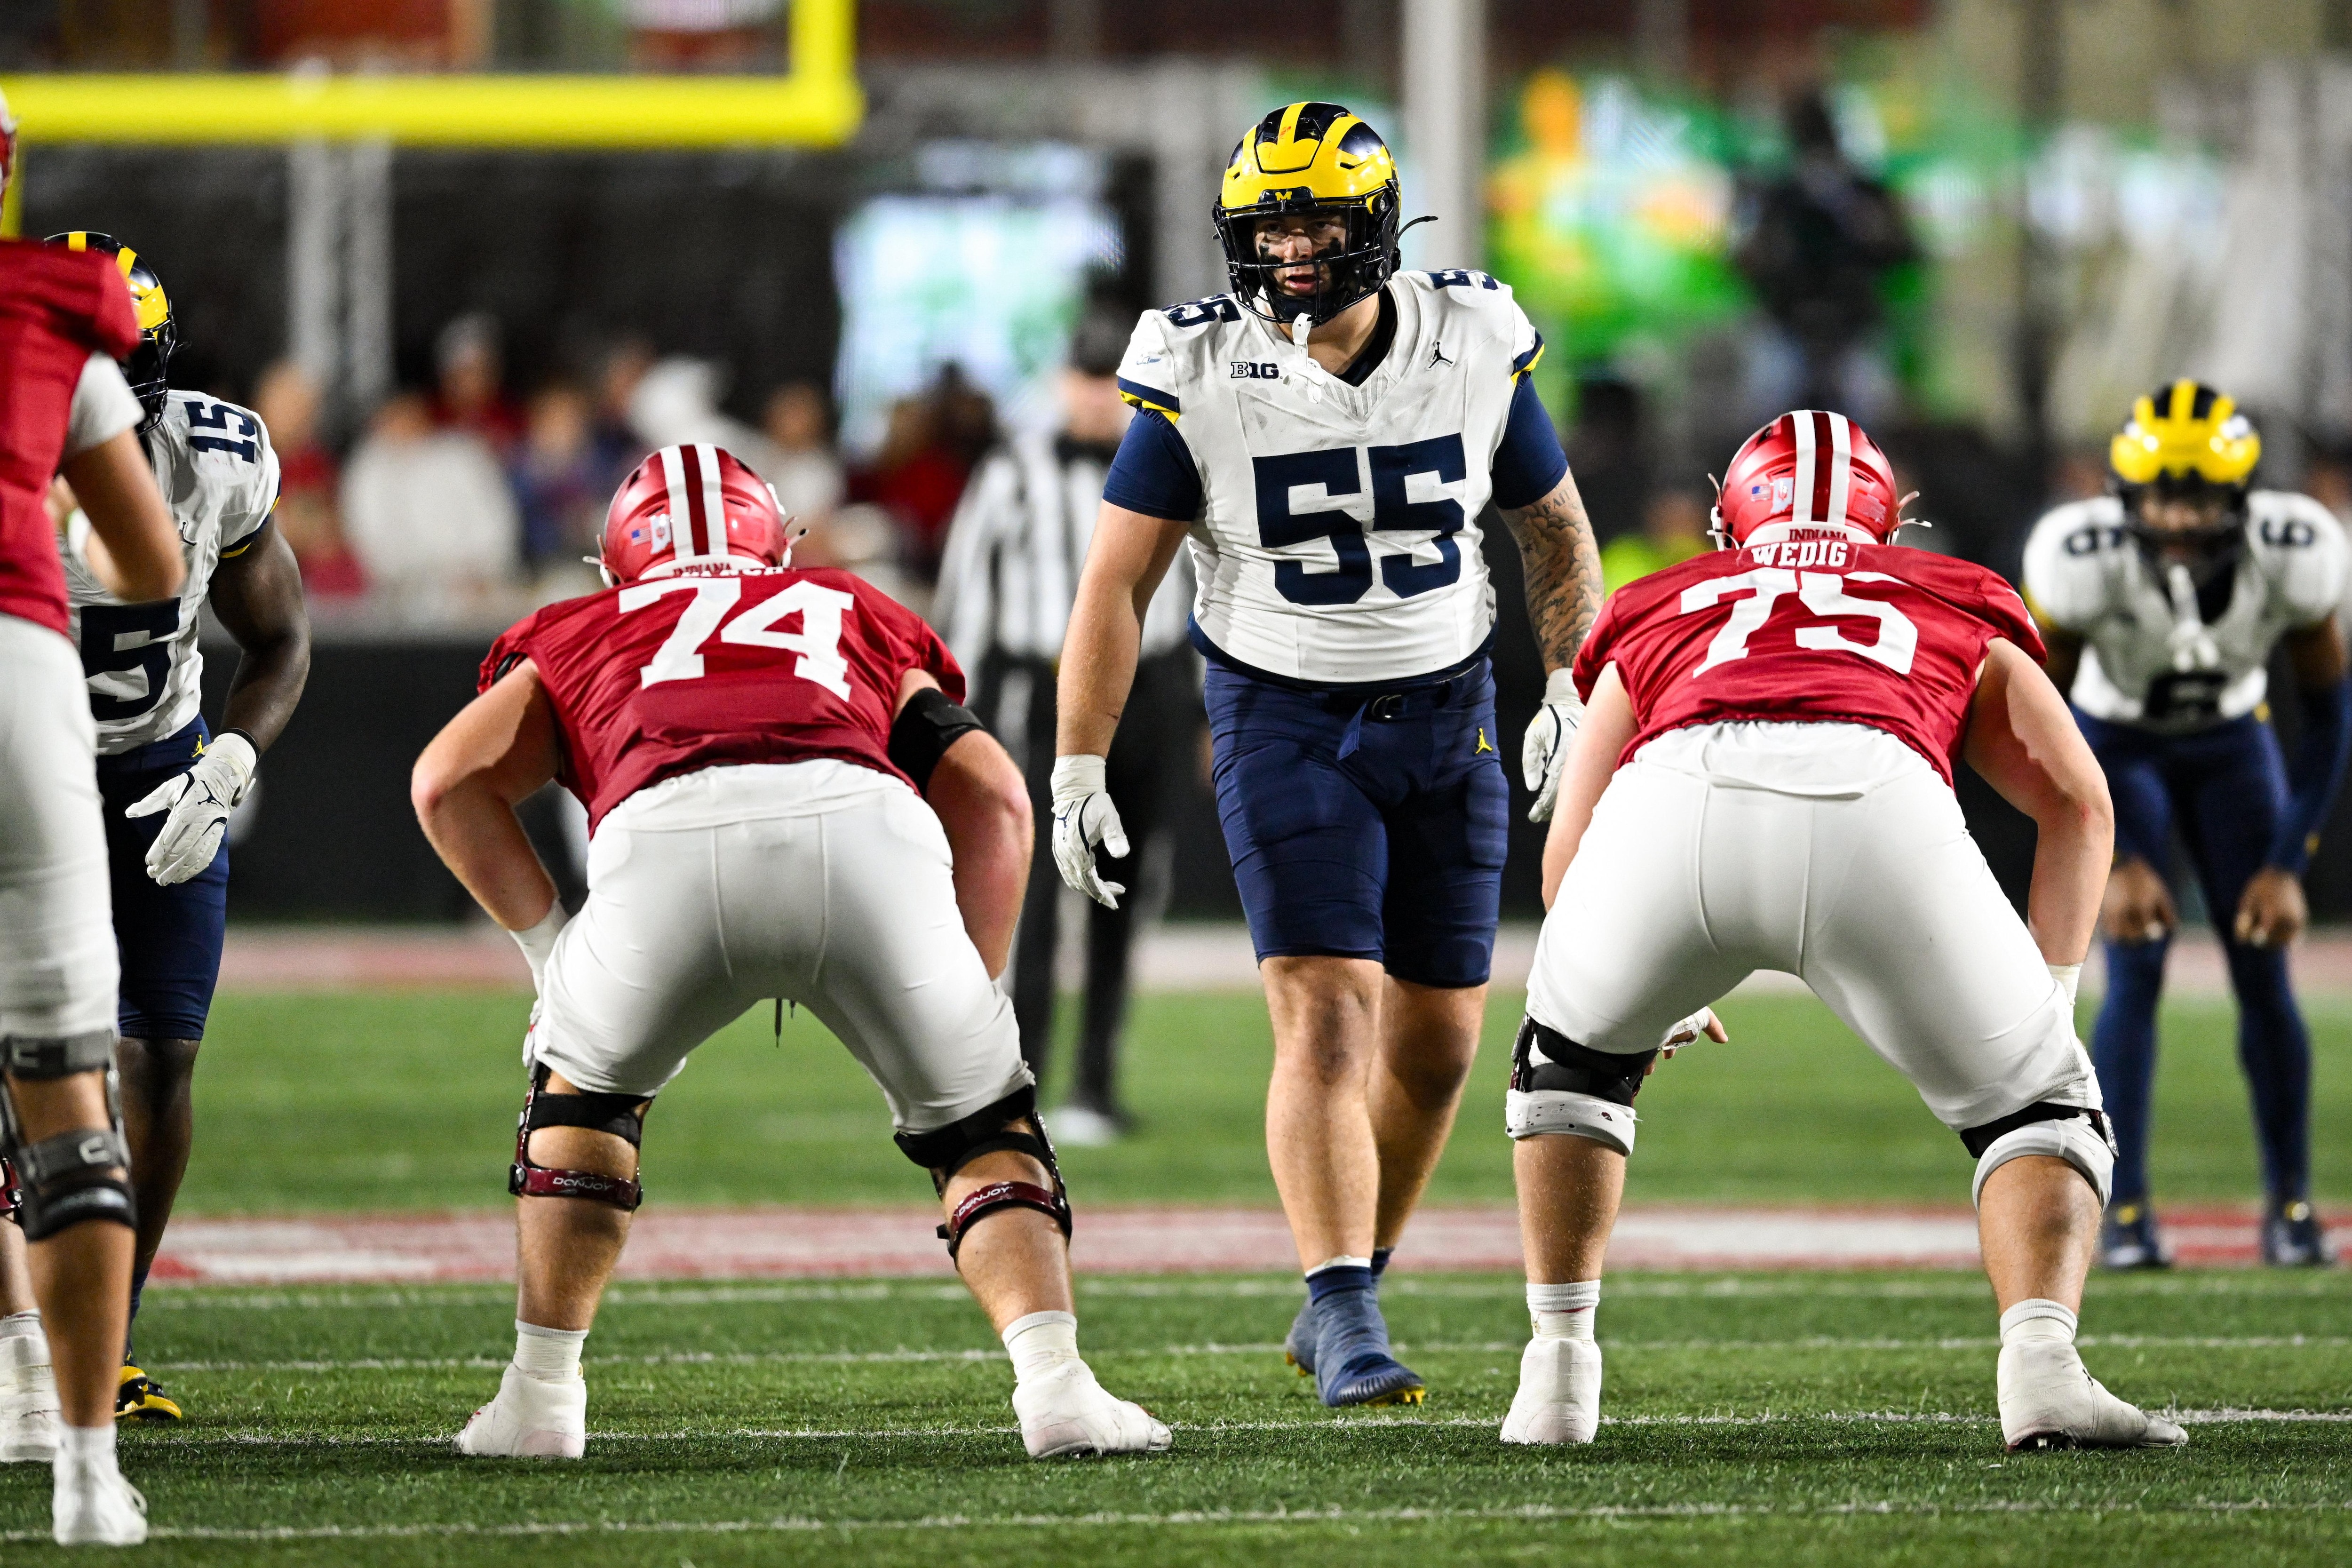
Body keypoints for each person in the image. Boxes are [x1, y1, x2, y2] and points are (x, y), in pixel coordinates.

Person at [411, 443, 1168, 1461]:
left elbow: (445, 783)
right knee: (981, 1123)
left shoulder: (578, 625)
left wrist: (555, 955)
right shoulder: (844, 603)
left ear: (616, 561)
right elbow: (991, 794)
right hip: (860, 823)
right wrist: (972, 991)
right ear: (776, 539)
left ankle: (541, 1400)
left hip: (661, 837)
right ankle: (1058, 1389)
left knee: (582, 1103)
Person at [1052, 102, 1603, 1408]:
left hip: (1448, 708)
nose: (1293, 249)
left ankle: (1354, 1273)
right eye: (1271, 224)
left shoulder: (1470, 339)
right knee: (1327, 1011)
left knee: (1440, 1047)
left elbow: (1555, 533)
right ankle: (1343, 1303)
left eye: (1316, 219)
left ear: (1378, 222)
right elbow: (1114, 587)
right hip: (1283, 714)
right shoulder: (1196, 369)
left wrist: (1575, 678)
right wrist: (1080, 760)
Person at [1504, 409, 2183, 1455]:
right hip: (1877, 800)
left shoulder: (1660, 601)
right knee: (2043, 1107)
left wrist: (1646, 992)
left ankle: (1555, 1374)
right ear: (1887, 521)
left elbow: (1569, 857)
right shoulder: (1948, 591)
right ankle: (2042, 1369)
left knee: (1565, 1065)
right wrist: (2040, 1003)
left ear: (1732, 524)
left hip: (1674, 807)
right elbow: (2078, 800)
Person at [8, 234, 314, 1430]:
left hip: (153, 761)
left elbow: (281, 639)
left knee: (161, 1052)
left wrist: (230, 759)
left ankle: (104, 1339)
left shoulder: (218, 456)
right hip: (18, 760)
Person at [2022, 382, 2352, 1268]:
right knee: (2133, 972)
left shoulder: (2298, 550)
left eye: (2202, 495)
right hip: (2112, 748)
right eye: (2163, 493)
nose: (2179, 515)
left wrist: (2290, 860)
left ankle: (2291, 1205)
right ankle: (2125, 1215)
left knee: (2263, 972)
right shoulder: (2077, 555)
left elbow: (2330, 711)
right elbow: (2039, 704)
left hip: (2234, 752)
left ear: (2242, 496)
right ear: (2123, 496)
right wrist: (2116, 848)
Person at [0, 93, 190, 1545]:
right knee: (66, 1089)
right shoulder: (53, 304)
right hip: (15, 667)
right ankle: (77, 1467)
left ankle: (12, 1366)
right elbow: (147, 551)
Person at [935, 312, 1198, 1143]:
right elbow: (967, 593)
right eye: (1085, 378)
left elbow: (1197, 586)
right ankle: (1028, 1079)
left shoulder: (1172, 456)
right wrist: (957, 720)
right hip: (1041, 689)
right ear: (1061, 382)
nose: (1096, 396)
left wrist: (1198, 705)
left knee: (1124, 886)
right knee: (1040, 893)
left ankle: (1096, 1081)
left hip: (1150, 688)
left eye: (1108, 379)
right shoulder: (1016, 469)